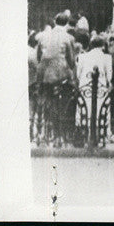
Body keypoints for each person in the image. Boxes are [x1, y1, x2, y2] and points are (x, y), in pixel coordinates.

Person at [36, 12, 78, 145]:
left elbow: (39, 57)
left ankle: (45, 134)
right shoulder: (68, 37)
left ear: (55, 22)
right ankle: (61, 135)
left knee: (48, 104)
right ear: (66, 24)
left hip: (46, 76)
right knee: (64, 105)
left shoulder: (44, 36)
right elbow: (71, 61)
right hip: (62, 76)